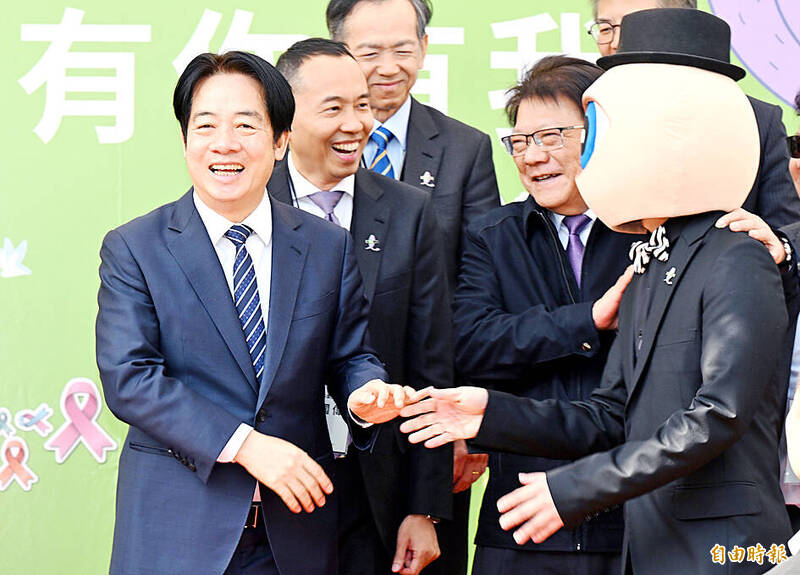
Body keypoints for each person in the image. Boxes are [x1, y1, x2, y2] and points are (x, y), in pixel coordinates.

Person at [401, 10, 793, 575]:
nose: (552, 157)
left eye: (583, 137)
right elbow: (613, 414)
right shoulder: (655, 254)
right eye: (521, 140)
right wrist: (493, 412)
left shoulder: (733, 251)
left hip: (722, 552)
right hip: (645, 538)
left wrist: (575, 488)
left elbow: (716, 414)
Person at [96, 50, 413, 575]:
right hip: (177, 530)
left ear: (280, 140)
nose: (225, 144)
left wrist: (365, 394)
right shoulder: (136, 247)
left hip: (295, 531)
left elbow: (351, 354)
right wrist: (245, 446)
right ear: (185, 139)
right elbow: (130, 378)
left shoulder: (326, 245)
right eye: (206, 126)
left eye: (246, 125)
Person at [325, 1, 500, 571]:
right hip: (317, 419)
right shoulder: (294, 153)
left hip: (428, 410)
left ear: (424, 48)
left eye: (403, 48)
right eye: (367, 51)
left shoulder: (464, 150)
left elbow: (477, 293)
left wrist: (461, 424)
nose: (387, 65)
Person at [271, 38, 453, 575]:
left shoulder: (408, 213)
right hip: (275, 481)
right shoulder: (249, 209)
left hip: (376, 489)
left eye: (363, 105)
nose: (356, 124)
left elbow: (429, 366)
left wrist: (425, 508)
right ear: (286, 117)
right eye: (334, 108)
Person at [446, 54, 632, 575]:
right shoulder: (491, 235)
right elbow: (472, 344)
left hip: (630, 514)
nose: (532, 156)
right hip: (518, 515)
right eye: (520, 141)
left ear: (599, 133)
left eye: (551, 136)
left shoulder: (648, 231)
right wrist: (588, 321)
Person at [588, 0, 800, 233]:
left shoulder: (757, 118)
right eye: (606, 28)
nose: (617, 42)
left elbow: (784, 232)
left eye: (635, 25)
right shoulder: (589, 118)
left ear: (683, 23)